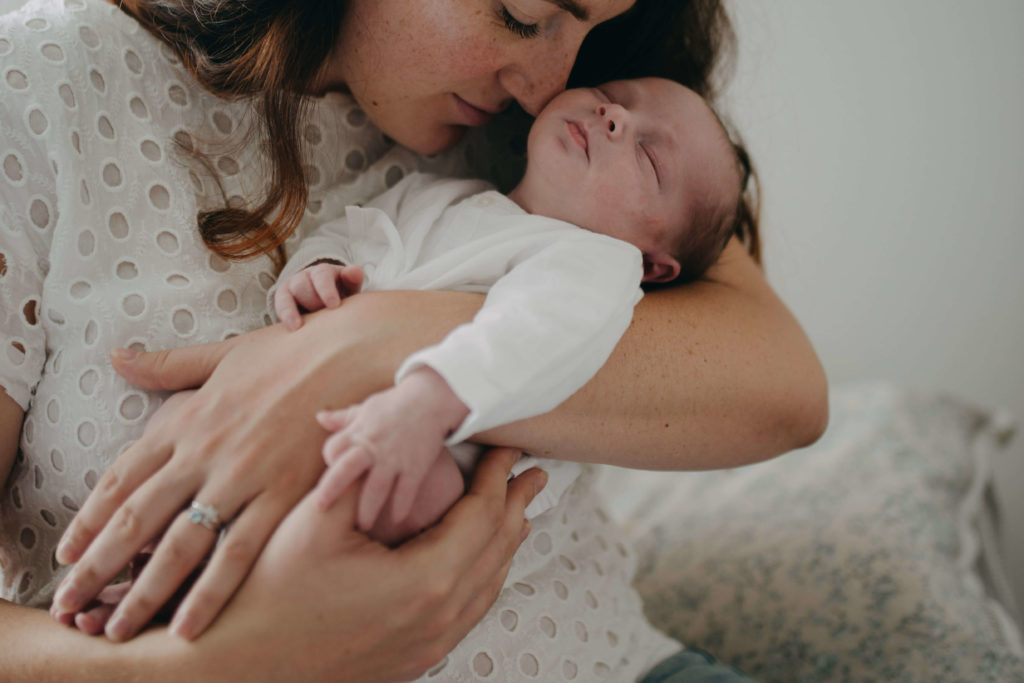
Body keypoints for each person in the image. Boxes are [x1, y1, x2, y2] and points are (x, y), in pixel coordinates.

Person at [0, 0, 827, 680]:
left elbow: (783, 387)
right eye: (520, 14)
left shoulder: (578, 175)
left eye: (588, 30)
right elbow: (365, 239)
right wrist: (207, 664)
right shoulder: (41, 84)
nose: (552, 85)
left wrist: (364, 344)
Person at [272, 77, 743, 543]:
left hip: (444, 444)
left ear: (651, 266)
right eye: (610, 95)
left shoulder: (602, 262)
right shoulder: (443, 193)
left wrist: (427, 402)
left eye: (649, 156)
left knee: (414, 494)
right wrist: (321, 268)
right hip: (333, 397)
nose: (614, 115)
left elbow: (531, 334)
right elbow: (358, 232)